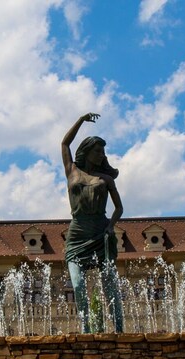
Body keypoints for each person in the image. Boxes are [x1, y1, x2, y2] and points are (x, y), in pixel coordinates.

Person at [61, 112, 125, 333]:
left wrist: (110, 226)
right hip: (77, 232)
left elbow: (119, 208)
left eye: (103, 152)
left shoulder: (105, 179)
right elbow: (65, 142)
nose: (101, 155)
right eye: (98, 151)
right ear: (87, 151)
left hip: (100, 232)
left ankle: (119, 329)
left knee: (110, 287)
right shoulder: (71, 171)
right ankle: (86, 330)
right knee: (78, 285)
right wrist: (80, 119)